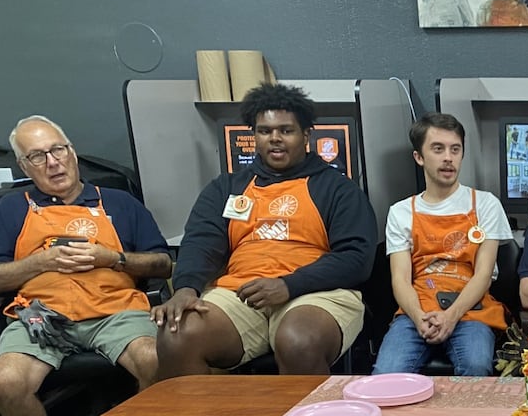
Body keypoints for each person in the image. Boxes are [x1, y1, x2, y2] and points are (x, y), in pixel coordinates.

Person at [155, 83, 377, 376]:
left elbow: (356, 257)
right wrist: (186, 288)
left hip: (316, 292)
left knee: (298, 341)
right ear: (253, 135)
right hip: (241, 293)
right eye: (264, 131)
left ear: (306, 135)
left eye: (286, 130)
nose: (275, 139)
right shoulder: (226, 188)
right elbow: (200, 243)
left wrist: (288, 285)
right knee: (177, 335)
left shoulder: (338, 189)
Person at [0, 115, 171, 416]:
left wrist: (113, 258)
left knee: (156, 359)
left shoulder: (119, 202)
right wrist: (40, 262)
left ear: (72, 151)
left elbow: (162, 263)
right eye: (38, 156)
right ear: (24, 167)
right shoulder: (11, 209)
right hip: (42, 318)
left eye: (58, 150)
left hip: (115, 312)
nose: (53, 163)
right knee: (5, 381)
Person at [373, 113, 511, 376]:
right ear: (419, 157)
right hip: (418, 310)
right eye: (438, 149)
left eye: (455, 149)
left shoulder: (485, 204)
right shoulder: (401, 212)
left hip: (471, 310)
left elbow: (483, 275)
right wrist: (418, 317)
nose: (448, 157)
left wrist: (451, 316)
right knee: (386, 373)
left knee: (476, 366)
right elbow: (400, 279)